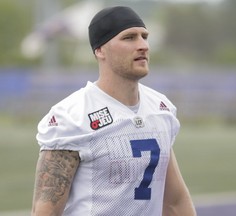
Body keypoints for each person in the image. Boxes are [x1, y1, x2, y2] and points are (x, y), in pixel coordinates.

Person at [31, 6, 197, 216]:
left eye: (144, 37)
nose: (143, 45)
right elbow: (46, 211)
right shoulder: (72, 116)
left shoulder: (160, 109)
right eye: (129, 38)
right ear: (100, 50)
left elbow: (175, 201)